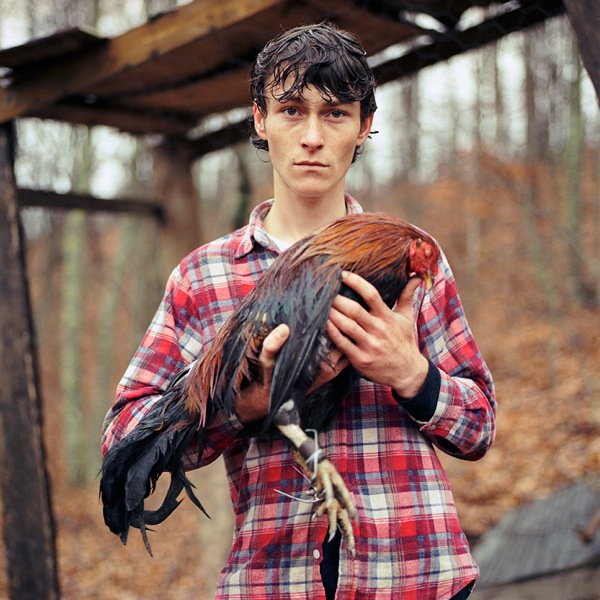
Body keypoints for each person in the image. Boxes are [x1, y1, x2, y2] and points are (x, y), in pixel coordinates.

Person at [101, 22, 496, 600]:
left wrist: (411, 374)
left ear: (363, 127)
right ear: (261, 120)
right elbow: (124, 433)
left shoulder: (409, 258)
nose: (312, 135)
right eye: (291, 110)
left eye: (335, 113)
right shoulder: (204, 276)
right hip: (275, 581)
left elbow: (480, 426)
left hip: (415, 575)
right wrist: (248, 402)